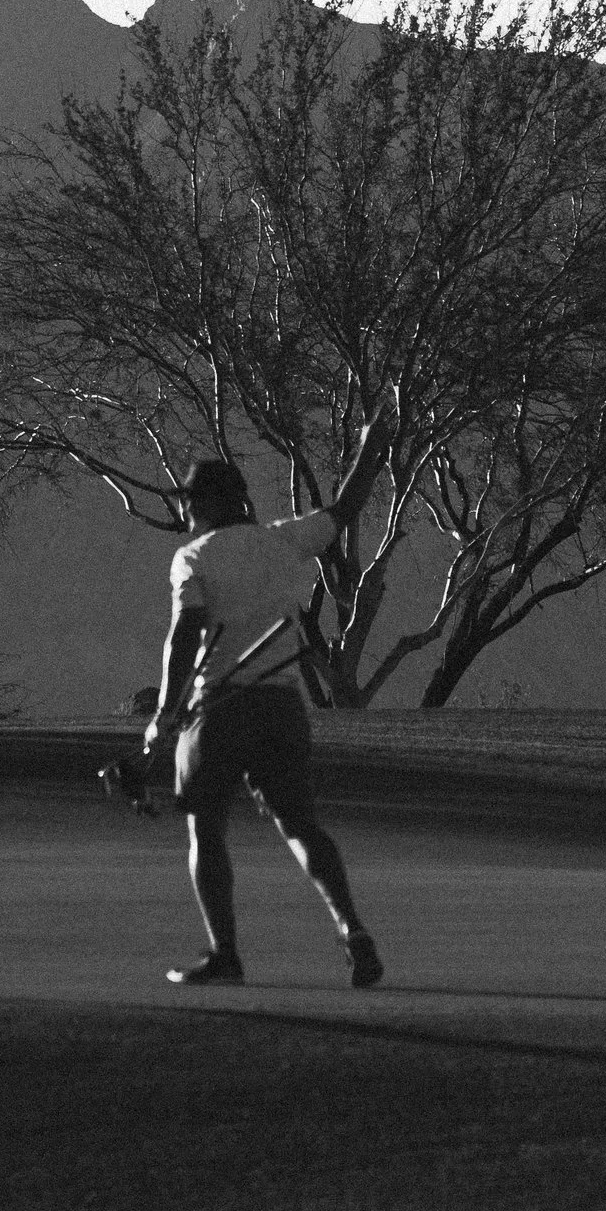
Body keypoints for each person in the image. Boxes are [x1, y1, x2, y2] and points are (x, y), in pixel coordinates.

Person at [143, 390, 397, 990]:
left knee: (206, 827)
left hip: (220, 708)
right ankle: (352, 930)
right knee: (301, 826)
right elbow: (347, 505)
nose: (186, 511)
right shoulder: (285, 539)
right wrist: (370, 449)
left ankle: (224, 953)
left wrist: (165, 713)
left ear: (205, 505)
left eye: (190, 501)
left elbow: (186, 634)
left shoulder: (193, 556)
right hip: (283, 704)